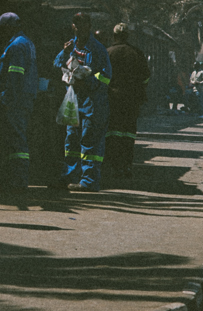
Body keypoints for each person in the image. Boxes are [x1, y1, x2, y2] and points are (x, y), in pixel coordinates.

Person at [53, 12, 112, 192]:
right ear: (73, 26)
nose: (80, 28)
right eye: (77, 25)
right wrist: (64, 52)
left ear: (89, 26)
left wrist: (89, 81)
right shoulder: (70, 46)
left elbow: (106, 76)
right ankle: (70, 177)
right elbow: (56, 64)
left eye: (84, 25)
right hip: (73, 100)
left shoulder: (98, 49)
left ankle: (89, 181)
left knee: (89, 141)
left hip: (92, 103)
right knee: (71, 141)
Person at [0, 12, 37, 189]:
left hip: (16, 101)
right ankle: (17, 177)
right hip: (24, 99)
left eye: (2, 28)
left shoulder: (16, 46)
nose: (0, 32)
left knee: (17, 140)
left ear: (9, 27)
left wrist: (6, 98)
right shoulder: (27, 42)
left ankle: (18, 179)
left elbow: (15, 77)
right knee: (19, 138)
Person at [105, 23, 150, 179]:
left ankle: (113, 166)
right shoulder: (136, 53)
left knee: (112, 133)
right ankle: (126, 167)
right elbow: (146, 77)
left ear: (114, 35)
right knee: (129, 135)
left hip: (112, 99)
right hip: (131, 101)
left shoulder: (108, 53)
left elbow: (100, 76)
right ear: (127, 36)